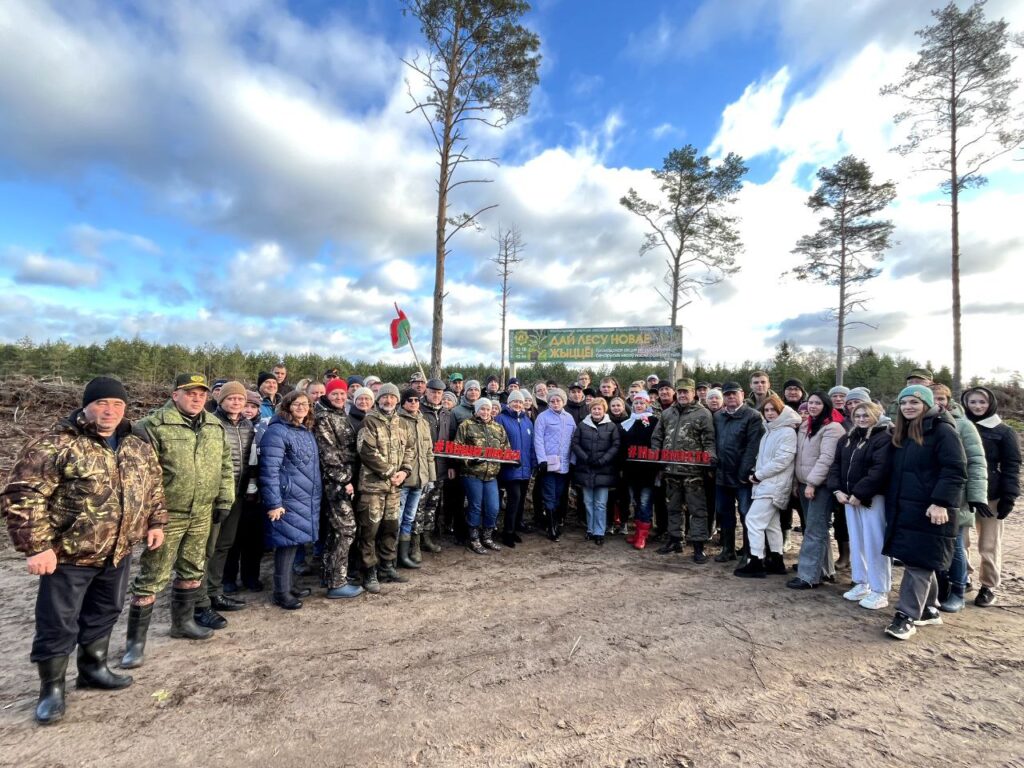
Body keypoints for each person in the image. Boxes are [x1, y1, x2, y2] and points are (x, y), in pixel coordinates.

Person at [2, 377, 167, 725]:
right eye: (102, 403)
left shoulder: (136, 446)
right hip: (69, 554)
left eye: (117, 405)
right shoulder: (57, 444)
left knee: (106, 610)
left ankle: (93, 668)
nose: (110, 411)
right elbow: (23, 494)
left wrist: (156, 522)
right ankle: (52, 689)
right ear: (86, 405)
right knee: (58, 622)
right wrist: (37, 547)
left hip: (118, 551)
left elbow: (152, 488)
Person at [121, 374, 234, 669]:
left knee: (193, 566)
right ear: (175, 395)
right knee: (152, 575)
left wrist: (225, 499)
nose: (197, 398)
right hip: (167, 514)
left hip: (202, 512)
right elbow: (142, 476)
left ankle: (183, 623)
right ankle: (135, 644)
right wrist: (151, 516)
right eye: (190, 393)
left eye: (201, 394)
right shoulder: (152, 426)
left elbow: (225, 466)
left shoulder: (213, 425)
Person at [883, 385, 966, 640]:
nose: (908, 407)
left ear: (927, 405)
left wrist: (940, 502)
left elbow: (955, 470)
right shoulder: (905, 432)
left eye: (915, 403)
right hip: (907, 506)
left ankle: (906, 616)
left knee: (919, 562)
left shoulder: (942, 431)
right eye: (904, 403)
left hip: (931, 509)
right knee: (917, 559)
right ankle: (929, 609)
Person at [193, 381, 256, 630]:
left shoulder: (248, 425)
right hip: (214, 495)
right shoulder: (210, 423)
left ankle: (214, 592)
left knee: (225, 545)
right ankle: (199, 600)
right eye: (232, 399)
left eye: (240, 400)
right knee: (207, 547)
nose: (236, 403)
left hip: (238, 493)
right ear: (221, 401)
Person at [825, 401, 893, 608]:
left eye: (866, 415)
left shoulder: (884, 438)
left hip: (872, 499)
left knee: (874, 543)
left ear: (876, 415)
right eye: (858, 415)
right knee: (857, 541)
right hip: (848, 498)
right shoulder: (848, 438)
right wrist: (837, 489)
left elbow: (880, 470)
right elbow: (836, 465)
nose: (862, 419)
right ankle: (862, 582)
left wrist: (860, 493)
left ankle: (880, 589)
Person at [259, 391, 321, 610]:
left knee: (294, 542)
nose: (302, 407)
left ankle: (289, 585)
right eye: (297, 404)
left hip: (304, 497)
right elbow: (269, 471)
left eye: (305, 404)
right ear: (287, 406)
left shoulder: (305, 431)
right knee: (285, 545)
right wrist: (274, 503)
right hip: (287, 499)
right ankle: (281, 592)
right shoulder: (277, 432)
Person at [961, 386, 1020, 608]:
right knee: (961, 540)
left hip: (992, 495)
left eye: (982, 402)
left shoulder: (1003, 431)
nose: (977, 406)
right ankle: (963, 576)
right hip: (964, 495)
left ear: (990, 404)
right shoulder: (960, 426)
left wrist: (1009, 495)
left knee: (989, 543)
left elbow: (1012, 465)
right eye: (973, 402)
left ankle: (988, 585)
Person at [930, 384, 987, 613]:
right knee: (936, 545)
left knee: (955, 545)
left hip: (956, 496)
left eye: (941, 398)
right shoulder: (921, 425)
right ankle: (940, 588)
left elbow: (975, 461)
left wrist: (976, 495)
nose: (937, 402)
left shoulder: (963, 425)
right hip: (930, 495)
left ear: (949, 400)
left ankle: (958, 591)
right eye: (932, 398)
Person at [354, 383, 414, 593]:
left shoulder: (402, 423)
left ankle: (387, 566)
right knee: (370, 530)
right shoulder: (369, 421)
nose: (389, 401)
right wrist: (390, 472)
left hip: (395, 488)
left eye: (392, 397)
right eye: (385, 397)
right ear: (378, 400)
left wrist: (404, 471)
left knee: (391, 527)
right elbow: (366, 451)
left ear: (397, 400)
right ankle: (369, 571)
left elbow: (410, 449)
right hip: (372, 487)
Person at [651, 379, 715, 562]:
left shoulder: (703, 414)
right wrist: (657, 456)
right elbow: (657, 436)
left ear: (693, 392)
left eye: (686, 392)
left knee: (697, 509)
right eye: (679, 392)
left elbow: (709, 441)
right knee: (673, 507)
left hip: (693, 471)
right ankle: (675, 540)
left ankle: (698, 546)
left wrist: (709, 462)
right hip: (670, 470)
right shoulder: (668, 413)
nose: (682, 395)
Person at [735, 395, 798, 578]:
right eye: (767, 410)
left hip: (773, 485)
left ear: (781, 411)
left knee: (753, 521)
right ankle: (777, 560)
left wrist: (758, 475)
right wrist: (755, 471)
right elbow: (765, 458)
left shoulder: (786, 432)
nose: (770, 413)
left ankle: (756, 561)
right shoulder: (770, 430)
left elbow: (782, 461)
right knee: (771, 524)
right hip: (767, 483)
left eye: (773, 410)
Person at [787, 391, 845, 590]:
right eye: (810, 403)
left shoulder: (833, 428)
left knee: (814, 529)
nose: (812, 406)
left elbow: (827, 458)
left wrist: (812, 483)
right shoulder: (806, 425)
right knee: (816, 530)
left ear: (826, 405)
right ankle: (825, 570)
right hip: (804, 484)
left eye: (817, 403)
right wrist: (797, 482)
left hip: (820, 487)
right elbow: (798, 456)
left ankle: (808, 576)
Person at [312, 378, 363, 599]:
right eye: (335, 394)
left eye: (342, 394)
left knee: (335, 532)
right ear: (327, 395)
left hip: (346, 480)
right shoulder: (323, 418)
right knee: (346, 529)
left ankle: (331, 573)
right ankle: (337, 583)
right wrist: (344, 480)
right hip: (336, 483)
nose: (340, 398)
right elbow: (328, 454)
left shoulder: (340, 414)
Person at [713, 382, 764, 563]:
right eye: (727, 395)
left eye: (734, 394)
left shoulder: (753, 416)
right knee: (724, 513)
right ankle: (728, 549)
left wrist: (743, 473)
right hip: (722, 474)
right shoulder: (718, 416)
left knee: (746, 513)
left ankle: (749, 552)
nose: (731, 397)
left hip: (743, 477)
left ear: (742, 394)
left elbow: (753, 447)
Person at [456, 398, 511, 554]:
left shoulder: (498, 428)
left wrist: (509, 458)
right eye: (482, 409)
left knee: (494, 507)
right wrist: (471, 460)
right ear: (477, 410)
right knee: (475, 506)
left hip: (491, 475)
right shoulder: (466, 425)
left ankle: (487, 537)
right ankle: (474, 539)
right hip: (472, 473)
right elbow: (457, 448)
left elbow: (506, 448)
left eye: (488, 409)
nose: (485, 412)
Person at [569, 397, 621, 546]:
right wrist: (586, 458)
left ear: (604, 410)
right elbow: (575, 443)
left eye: (599, 408)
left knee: (600, 503)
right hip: (586, 469)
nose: (596, 411)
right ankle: (590, 529)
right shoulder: (582, 425)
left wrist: (602, 460)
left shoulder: (611, 426)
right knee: (588, 502)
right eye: (594, 409)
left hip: (604, 470)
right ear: (590, 410)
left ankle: (599, 531)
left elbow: (615, 446)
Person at [396, 387, 435, 569]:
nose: (413, 403)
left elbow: (428, 452)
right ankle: (392, 556)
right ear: (403, 402)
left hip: (420, 478)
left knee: (409, 518)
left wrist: (430, 477)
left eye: (416, 400)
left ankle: (404, 555)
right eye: (410, 400)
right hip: (403, 479)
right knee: (397, 518)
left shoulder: (423, 421)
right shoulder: (398, 421)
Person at [417, 379, 456, 555]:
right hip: (422, 467)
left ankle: (427, 537)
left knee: (432, 506)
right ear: (426, 392)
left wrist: (450, 464)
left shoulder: (447, 413)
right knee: (419, 506)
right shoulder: (419, 410)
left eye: (439, 393)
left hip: (440, 467)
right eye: (433, 392)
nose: (436, 395)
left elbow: (450, 441)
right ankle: (414, 542)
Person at [533, 388, 576, 541]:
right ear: (549, 402)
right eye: (552, 400)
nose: (555, 403)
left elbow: (573, 440)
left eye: (558, 400)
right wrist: (542, 460)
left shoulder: (569, 418)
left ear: (563, 401)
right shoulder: (542, 417)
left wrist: (573, 460)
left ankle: (556, 522)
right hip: (549, 464)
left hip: (564, 463)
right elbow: (538, 439)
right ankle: (551, 527)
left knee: (559, 495)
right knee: (549, 495)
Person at [495, 390, 537, 548]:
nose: (518, 404)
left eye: (520, 402)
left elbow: (532, 445)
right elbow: (498, 443)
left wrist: (533, 463)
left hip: (525, 468)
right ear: (509, 403)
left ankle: (515, 529)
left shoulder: (527, 421)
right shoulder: (501, 419)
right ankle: (507, 532)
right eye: (515, 402)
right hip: (511, 468)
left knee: (520, 502)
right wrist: (507, 460)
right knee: (514, 499)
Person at [620, 391, 658, 549]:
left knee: (644, 502)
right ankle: (637, 532)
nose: (639, 406)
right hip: (631, 470)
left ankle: (643, 535)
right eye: (636, 403)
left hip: (647, 470)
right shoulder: (628, 422)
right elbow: (623, 446)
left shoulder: (653, 421)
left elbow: (655, 444)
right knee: (635, 501)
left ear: (647, 404)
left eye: (642, 403)